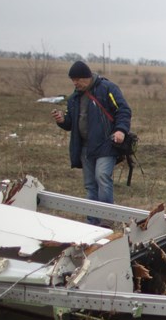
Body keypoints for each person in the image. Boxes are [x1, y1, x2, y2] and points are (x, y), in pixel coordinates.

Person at [51, 60, 132, 226]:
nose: (75, 83)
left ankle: (107, 219)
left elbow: (123, 111)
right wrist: (61, 120)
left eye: (78, 80)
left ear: (87, 77)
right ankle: (92, 221)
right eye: (73, 80)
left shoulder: (108, 89)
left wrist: (121, 130)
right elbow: (70, 123)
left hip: (106, 145)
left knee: (102, 177)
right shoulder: (74, 97)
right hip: (85, 148)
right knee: (90, 185)